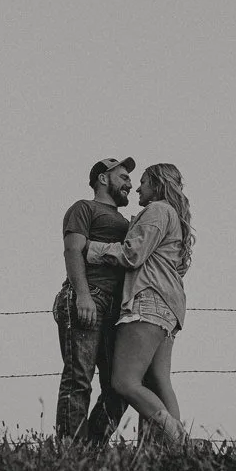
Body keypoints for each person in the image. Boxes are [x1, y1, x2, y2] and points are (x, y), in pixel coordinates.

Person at [86, 163, 195, 446]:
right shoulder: (174, 217)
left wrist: (93, 249)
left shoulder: (158, 210)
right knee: (158, 382)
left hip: (147, 301)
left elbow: (133, 254)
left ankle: (179, 438)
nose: (137, 187)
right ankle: (165, 452)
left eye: (144, 182)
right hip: (169, 306)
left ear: (157, 185)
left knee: (124, 382)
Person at [52, 156, 135, 444]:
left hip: (118, 307)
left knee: (121, 385)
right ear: (103, 178)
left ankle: (91, 448)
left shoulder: (127, 221)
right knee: (79, 378)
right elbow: (73, 250)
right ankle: (70, 451)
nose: (129, 183)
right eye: (123, 176)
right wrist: (83, 296)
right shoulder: (84, 208)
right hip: (90, 297)